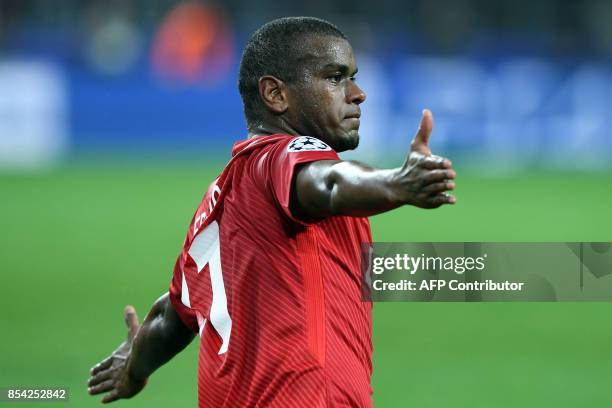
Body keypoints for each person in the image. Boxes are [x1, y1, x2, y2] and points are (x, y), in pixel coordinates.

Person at [87, 16, 456, 407]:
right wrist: (396, 183)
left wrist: (135, 367)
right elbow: (329, 183)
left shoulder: (216, 208)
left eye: (352, 77)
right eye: (335, 78)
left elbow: (169, 317)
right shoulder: (276, 157)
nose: (358, 93)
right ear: (275, 95)